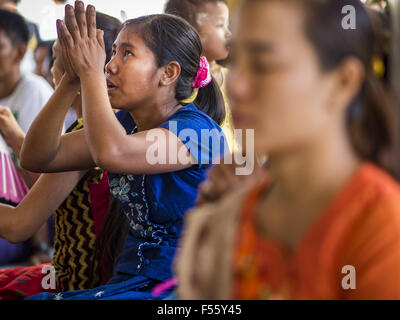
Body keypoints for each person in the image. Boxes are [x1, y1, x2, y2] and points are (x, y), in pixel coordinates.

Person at [176, 0, 400, 299]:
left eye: (263, 64)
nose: (236, 86)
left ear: (342, 82)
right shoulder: (232, 213)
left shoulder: (379, 226)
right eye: (236, 61)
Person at [21, 1, 226, 300]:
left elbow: (112, 154)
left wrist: (91, 73)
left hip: (182, 286)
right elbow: (40, 157)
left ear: (168, 73)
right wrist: (70, 80)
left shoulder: (198, 133)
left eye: (127, 53)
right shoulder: (127, 124)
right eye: (113, 51)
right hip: (130, 280)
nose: (110, 64)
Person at [0, 11, 121, 300]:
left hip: (76, 280)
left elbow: (19, 225)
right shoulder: (119, 126)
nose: (48, 69)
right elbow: (54, 187)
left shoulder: (88, 137)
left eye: (54, 60)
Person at [165, 0, 236, 151]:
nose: (229, 33)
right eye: (220, 25)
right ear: (188, 30)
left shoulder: (234, 80)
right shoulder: (173, 81)